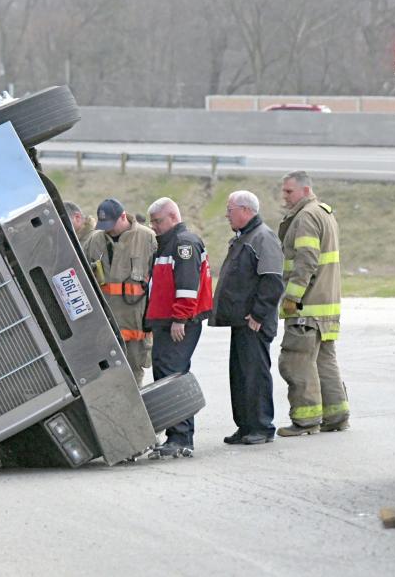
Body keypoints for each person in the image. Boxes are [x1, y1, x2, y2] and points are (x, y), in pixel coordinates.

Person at [276, 171, 349, 436]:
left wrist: (292, 298)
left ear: (305, 191)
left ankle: (306, 421)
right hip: (326, 307)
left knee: (297, 361)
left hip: (307, 307)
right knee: (324, 361)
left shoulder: (305, 217)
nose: (284, 196)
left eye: (289, 192)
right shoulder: (324, 213)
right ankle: (336, 416)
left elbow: (306, 261)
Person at [209, 191, 284, 445]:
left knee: (255, 376)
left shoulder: (263, 237)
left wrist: (258, 314)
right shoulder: (244, 237)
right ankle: (245, 426)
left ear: (245, 210)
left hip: (254, 322)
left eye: (230, 210)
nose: (227, 214)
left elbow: (273, 280)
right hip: (241, 322)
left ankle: (262, 427)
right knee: (240, 376)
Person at [145, 197, 213, 458]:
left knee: (173, 376)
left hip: (178, 323)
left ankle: (182, 437)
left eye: (158, 221)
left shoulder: (184, 244)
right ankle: (176, 435)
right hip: (166, 321)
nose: (154, 227)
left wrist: (180, 319)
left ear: (173, 217)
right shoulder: (166, 244)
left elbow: (187, 286)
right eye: (151, 222)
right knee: (166, 374)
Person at [82, 198, 157, 386]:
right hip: (105, 324)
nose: (107, 229)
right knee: (105, 377)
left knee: (133, 374)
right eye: (103, 224)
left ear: (123, 216)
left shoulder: (147, 238)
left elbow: (159, 279)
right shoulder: (94, 240)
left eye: (111, 224)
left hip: (135, 323)